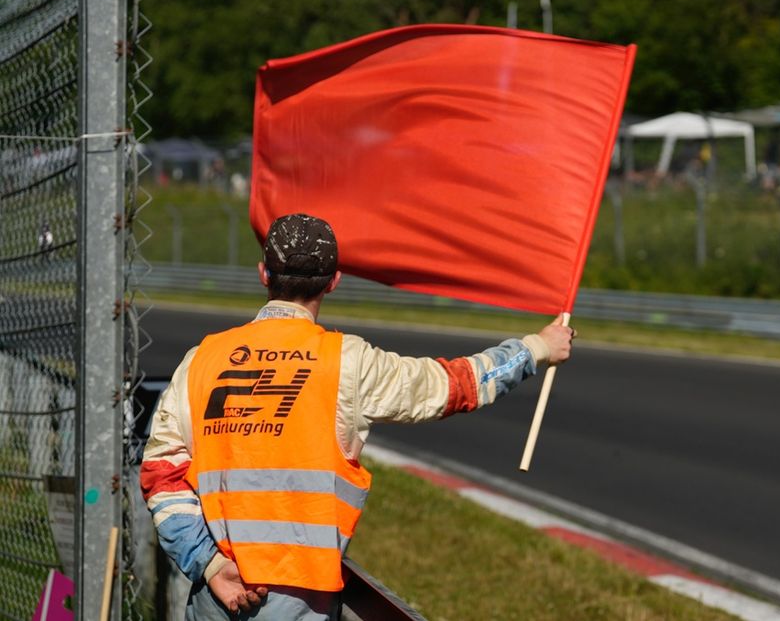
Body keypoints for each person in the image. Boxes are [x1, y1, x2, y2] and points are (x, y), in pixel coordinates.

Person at [141, 213, 575, 619]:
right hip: (301, 597)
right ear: (334, 281)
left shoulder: (201, 359)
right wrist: (536, 348)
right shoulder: (349, 362)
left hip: (216, 595)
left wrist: (210, 563)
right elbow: (455, 385)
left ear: (263, 274)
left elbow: (161, 475)